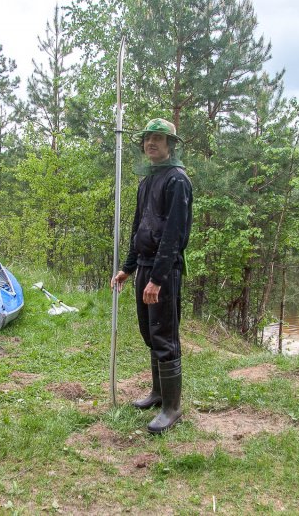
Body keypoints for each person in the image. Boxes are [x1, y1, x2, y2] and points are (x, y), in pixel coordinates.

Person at [111, 118, 193, 434]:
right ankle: (158, 393)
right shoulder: (147, 181)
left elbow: (174, 235)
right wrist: (128, 268)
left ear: (170, 144)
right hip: (145, 266)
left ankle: (172, 408)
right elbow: (139, 228)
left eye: (158, 138)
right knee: (149, 332)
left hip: (164, 271)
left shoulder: (177, 181)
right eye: (147, 139)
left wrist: (157, 279)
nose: (151, 144)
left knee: (164, 335)